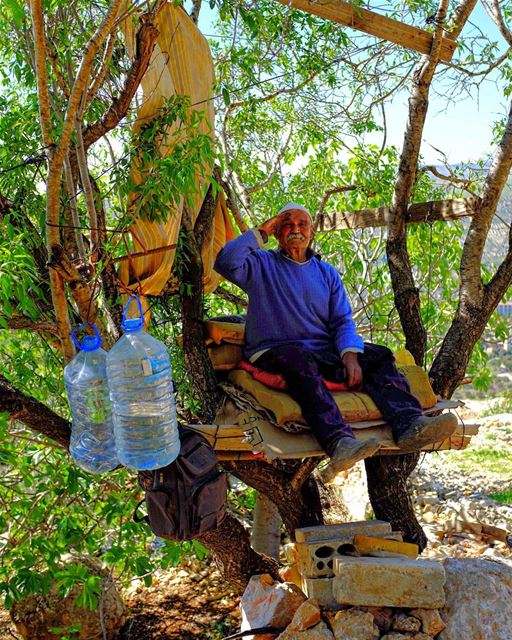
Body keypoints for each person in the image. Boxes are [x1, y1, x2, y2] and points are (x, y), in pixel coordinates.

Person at [214, 203, 457, 481]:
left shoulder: (326, 273)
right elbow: (225, 261)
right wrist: (262, 231)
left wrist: (350, 355)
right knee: (298, 359)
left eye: (302, 224)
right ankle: (339, 443)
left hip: (322, 352)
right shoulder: (261, 265)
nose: (295, 229)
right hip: (274, 351)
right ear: (278, 233)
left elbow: (342, 320)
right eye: (287, 224)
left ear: (312, 232)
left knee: (378, 355)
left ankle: (409, 424)